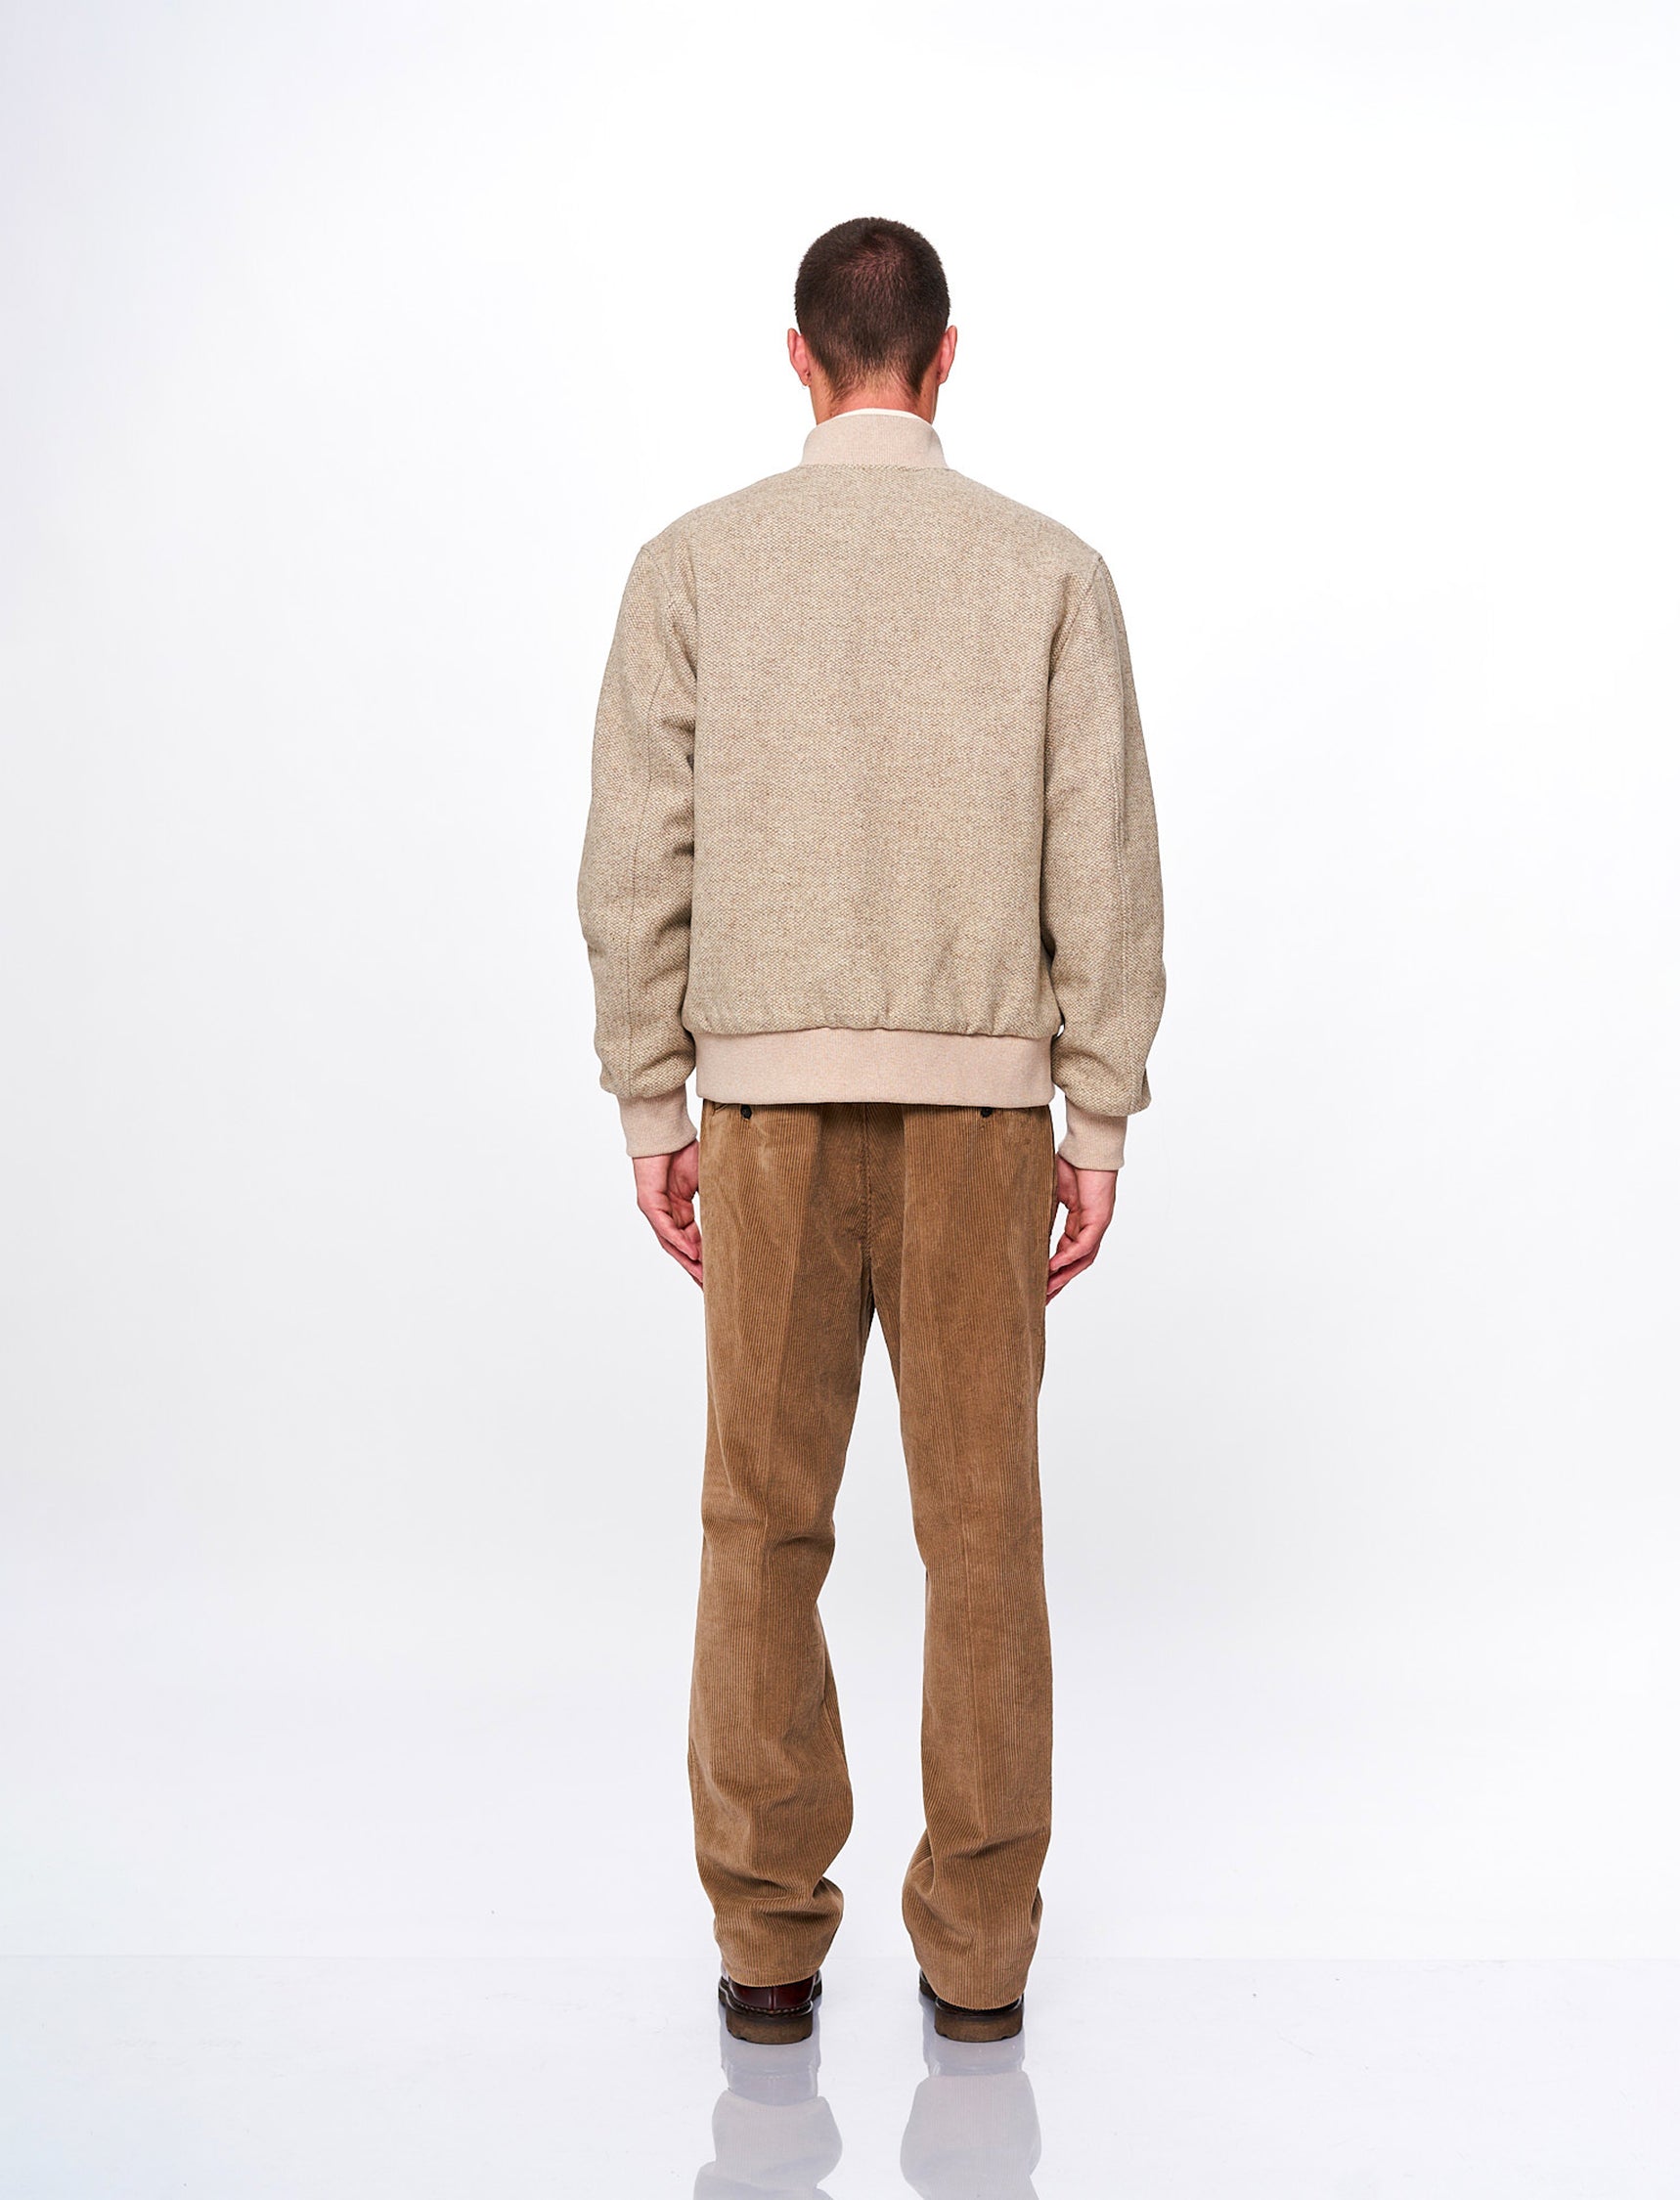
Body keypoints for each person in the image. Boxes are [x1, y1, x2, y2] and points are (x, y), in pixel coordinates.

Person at [578, 216, 1164, 2046]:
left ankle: (766, 1943)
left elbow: (637, 853)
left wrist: (651, 1092)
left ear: (799, 357)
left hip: (759, 1112)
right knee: (985, 1532)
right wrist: (1096, 1113)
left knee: (761, 1522)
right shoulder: (1049, 571)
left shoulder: (695, 565)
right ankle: (979, 1965)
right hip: (987, 1119)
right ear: (948, 355)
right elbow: (1105, 859)